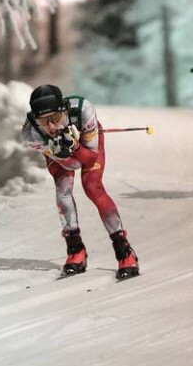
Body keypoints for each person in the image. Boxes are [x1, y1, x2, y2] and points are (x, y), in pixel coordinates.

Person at [21, 83, 140, 280]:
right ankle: (75, 249)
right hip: (61, 152)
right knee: (63, 190)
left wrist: (75, 147)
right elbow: (71, 166)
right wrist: (61, 151)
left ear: (64, 110)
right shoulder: (30, 133)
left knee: (92, 187)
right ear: (35, 119)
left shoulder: (83, 110)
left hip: (86, 143)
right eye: (43, 121)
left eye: (55, 118)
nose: (51, 126)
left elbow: (89, 159)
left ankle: (124, 250)